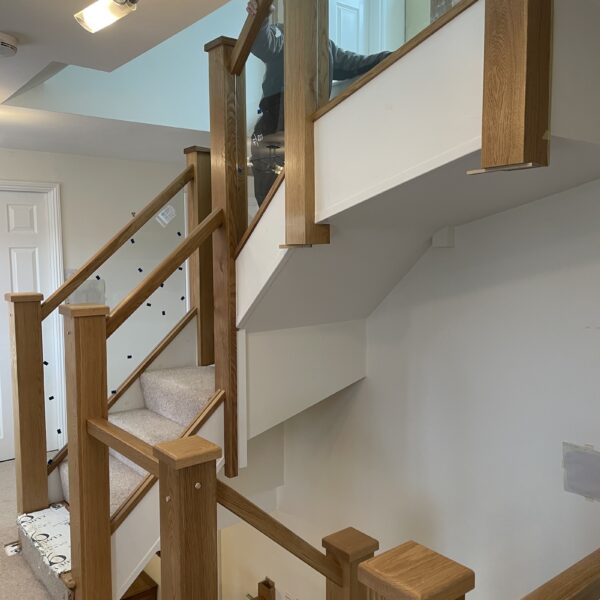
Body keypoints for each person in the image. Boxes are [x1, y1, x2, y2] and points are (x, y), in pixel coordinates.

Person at [247, 0, 391, 205]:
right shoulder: (282, 34)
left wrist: (399, 55)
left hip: (301, 129)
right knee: (269, 196)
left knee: (297, 193)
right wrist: (261, 17)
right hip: (272, 126)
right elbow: (264, 43)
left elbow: (357, 64)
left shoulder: (326, 47)